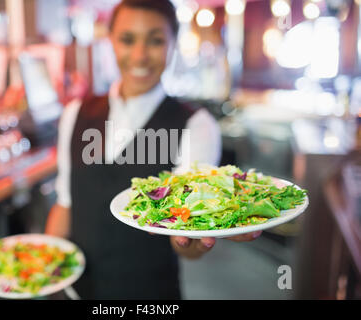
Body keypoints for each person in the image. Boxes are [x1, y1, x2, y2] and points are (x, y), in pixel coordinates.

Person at [45, 0, 261, 299]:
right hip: (76, 292)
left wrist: (196, 237)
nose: (139, 55)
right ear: (111, 41)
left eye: (156, 41)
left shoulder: (196, 125)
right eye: (127, 39)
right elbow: (66, 203)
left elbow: (187, 237)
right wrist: (43, 267)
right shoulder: (75, 114)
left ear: (173, 44)